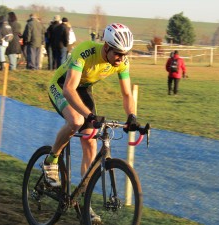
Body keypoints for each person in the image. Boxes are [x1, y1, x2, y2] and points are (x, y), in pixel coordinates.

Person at [45, 23, 139, 223]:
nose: (122, 58)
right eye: (119, 54)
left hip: (84, 89)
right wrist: (89, 116)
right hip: (62, 85)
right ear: (106, 47)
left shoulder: (122, 61)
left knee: (90, 141)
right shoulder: (86, 50)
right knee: (77, 121)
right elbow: (69, 89)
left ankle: (83, 202)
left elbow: (127, 93)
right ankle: (51, 161)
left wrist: (132, 116)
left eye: (125, 54)